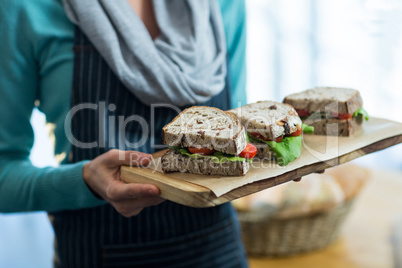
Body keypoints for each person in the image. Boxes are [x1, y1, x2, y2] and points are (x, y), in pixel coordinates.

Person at [0, 0, 247, 267]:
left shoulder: (223, 4)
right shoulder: (24, 8)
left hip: (219, 251)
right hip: (95, 254)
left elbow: (239, 126)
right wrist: (84, 182)